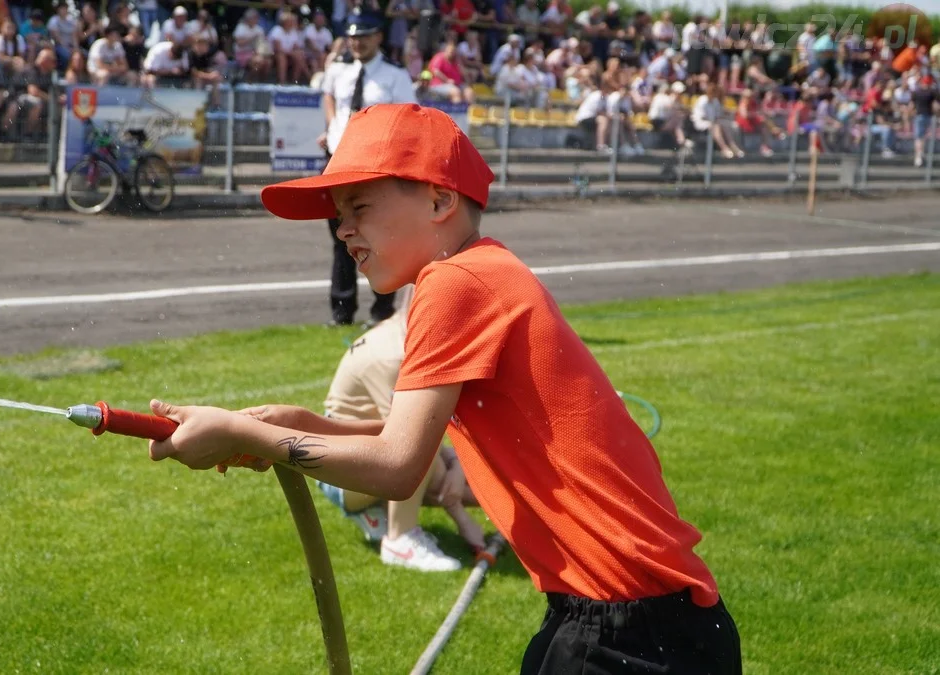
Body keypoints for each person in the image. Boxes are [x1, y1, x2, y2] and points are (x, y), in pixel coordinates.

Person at [146, 103, 741, 674]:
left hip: (627, 627)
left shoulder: (454, 282)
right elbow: (405, 439)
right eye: (338, 215)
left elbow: (397, 468)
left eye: (357, 207)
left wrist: (242, 432)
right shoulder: (481, 269)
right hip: (641, 616)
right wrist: (296, 423)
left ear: (439, 198)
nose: (342, 231)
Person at [316, 284, 487, 571]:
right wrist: (463, 519)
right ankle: (400, 540)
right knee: (431, 460)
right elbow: (410, 439)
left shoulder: (399, 334)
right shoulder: (395, 356)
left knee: (473, 473)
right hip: (340, 477)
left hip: (348, 458)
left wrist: (457, 465)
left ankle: (377, 511)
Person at [317, 9, 415, 327]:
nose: (357, 42)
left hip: (375, 165)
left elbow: (406, 118)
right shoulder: (338, 69)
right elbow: (329, 96)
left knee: (379, 236)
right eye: (353, 36)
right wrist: (331, 127)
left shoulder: (395, 75)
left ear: (379, 38)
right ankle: (341, 310)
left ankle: (382, 310)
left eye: (364, 36)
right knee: (340, 238)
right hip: (338, 160)